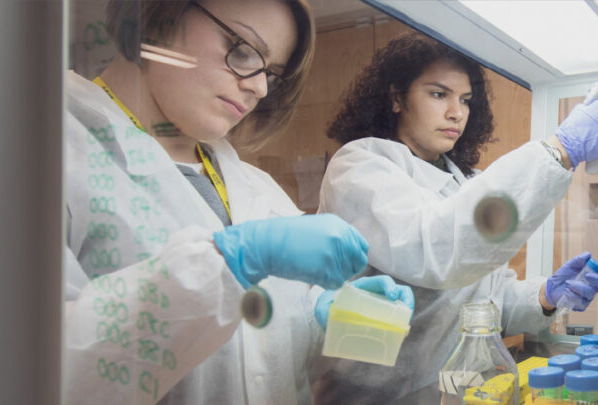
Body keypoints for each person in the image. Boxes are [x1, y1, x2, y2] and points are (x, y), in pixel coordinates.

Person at [63, 1, 412, 404]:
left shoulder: (256, 187)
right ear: (158, 16)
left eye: (272, 72)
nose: (260, 87)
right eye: (244, 50)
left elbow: (269, 362)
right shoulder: (43, 157)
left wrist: (339, 320)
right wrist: (227, 265)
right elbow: (39, 371)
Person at [315, 34, 598, 402]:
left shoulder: (467, 181)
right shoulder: (360, 166)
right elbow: (436, 251)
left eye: (466, 100)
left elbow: (485, 302)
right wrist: (560, 150)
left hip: (457, 392)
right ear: (397, 98)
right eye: (439, 94)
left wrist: (544, 296)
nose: (456, 112)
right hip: (374, 396)